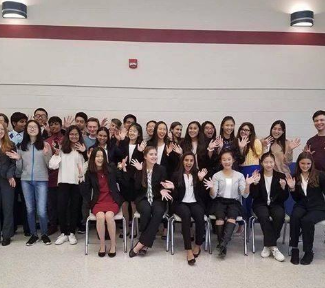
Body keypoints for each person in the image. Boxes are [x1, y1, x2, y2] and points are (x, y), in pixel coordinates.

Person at [204, 149, 257, 258]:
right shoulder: (216, 176)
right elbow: (213, 196)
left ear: (233, 160)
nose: (226, 162)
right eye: (224, 159)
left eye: (229, 159)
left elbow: (245, 195)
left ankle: (222, 244)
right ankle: (222, 244)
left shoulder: (239, 176)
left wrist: (247, 185)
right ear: (221, 161)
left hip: (234, 202)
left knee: (232, 217)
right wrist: (212, 188)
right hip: (219, 201)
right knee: (219, 218)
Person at [7, 120, 52, 246]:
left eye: (35, 127)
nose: (32, 129)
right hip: (26, 180)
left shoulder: (45, 145)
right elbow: (20, 169)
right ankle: (33, 234)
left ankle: (44, 234)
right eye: (30, 127)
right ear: (26, 130)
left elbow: (50, 165)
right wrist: (18, 159)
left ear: (39, 129)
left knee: (42, 210)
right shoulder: (22, 146)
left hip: (42, 180)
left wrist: (46, 154)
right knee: (30, 209)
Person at [129, 146, 172, 257]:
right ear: (145, 156)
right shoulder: (140, 168)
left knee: (158, 212)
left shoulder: (161, 169)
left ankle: (141, 244)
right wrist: (139, 172)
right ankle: (145, 244)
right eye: (151, 154)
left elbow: (163, 185)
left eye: (155, 154)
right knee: (146, 210)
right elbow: (137, 188)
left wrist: (162, 190)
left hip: (157, 198)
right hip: (142, 199)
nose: (154, 156)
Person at [81, 147, 124, 257]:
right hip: (98, 201)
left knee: (109, 216)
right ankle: (102, 245)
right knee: (100, 217)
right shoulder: (90, 172)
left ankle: (113, 245)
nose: (100, 158)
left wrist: (122, 170)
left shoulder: (112, 168)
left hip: (112, 200)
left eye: (102, 156)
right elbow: (85, 192)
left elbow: (122, 182)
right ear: (93, 158)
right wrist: (81, 179)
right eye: (97, 156)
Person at [49, 125, 86, 245]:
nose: (74, 136)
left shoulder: (82, 149)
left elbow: (86, 166)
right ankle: (64, 233)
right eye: (71, 134)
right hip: (63, 181)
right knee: (62, 208)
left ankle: (71, 233)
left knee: (74, 208)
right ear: (67, 135)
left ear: (79, 136)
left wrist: (84, 152)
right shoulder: (61, 149)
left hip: (77, 183)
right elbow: (52, 166)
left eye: (76, 134)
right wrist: (56, 154)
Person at [287, 152, 325, 265]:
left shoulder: (320, 175)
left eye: (308, 164)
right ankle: (294, 249)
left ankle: (308, 251)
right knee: (294, 217)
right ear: (298, 163)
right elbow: (296, 198)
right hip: (302, 205)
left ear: (312, 164)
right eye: (302, 163)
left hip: (318, 207)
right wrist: (292, 188)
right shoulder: (295, 176)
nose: (305, 166)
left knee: (307, 221)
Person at [249, 152, 288, 261]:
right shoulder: (257, 175)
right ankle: (274, 247)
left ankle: (268, 245)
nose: (269, 164)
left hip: (276, 204)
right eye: (266, 162)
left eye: (271, 162)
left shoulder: (281, 176)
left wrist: (283, 187)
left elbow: (284, 198)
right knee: (263, 216)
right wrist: (255, 184)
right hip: (260, 204)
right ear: (262, 163)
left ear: (274, 163)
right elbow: (254, 196)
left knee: (279, 215)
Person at [171, 152, 207, 265]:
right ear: (182, 161)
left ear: (194, 162)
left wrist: (201, 181)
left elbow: (202, 195)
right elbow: (175, 197)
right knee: (186, 216)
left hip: (195, 202)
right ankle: (188, 250)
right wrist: (173, 188)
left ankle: (198, 245)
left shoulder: (198, 174)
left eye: (191, 160)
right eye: (186, 160)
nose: (189, 163)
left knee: (200, 216)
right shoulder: (176, 175)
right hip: (180, 203)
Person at [119, 123, 146, 237]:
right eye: (130, 130)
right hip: (124, 177)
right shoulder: (123, 143)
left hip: (135, 179)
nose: (132, 133)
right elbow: (118, 158)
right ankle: (126, 227)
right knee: (124, 203)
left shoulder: (142, 146)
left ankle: (135, 228)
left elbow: (143, 163)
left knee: (133, 203)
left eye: (135, 131)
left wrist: (141, 151)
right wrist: (120, 165)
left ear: (139, 133)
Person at [8, 112, 30, 236]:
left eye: (25, 121)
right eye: (21, 122)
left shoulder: (29, 136)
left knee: (27, 202)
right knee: (11, 202)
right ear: (14, 123)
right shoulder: (7, 136)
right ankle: (13, 227)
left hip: (25, 174)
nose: (24, 124)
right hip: (11, 174)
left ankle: (27, 228)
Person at [46, 116, 64, 235]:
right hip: (51, 176)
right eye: (51, 124)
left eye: (56, 124)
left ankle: (64, 225)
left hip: (63, 175)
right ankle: (53, 224)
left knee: (64, 202)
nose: (54, 126)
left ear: (61, 125)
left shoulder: (66, 139)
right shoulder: (46, 141)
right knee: (51, 203)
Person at [0, 123, 16, 246]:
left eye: (1, 129)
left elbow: (12, 163)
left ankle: (6, 235)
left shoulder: (10, 145)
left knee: (8, 208)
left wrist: (10, 175)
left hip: (6, 180)